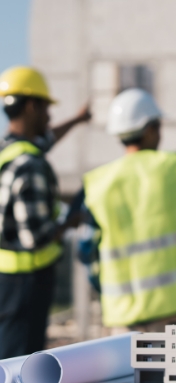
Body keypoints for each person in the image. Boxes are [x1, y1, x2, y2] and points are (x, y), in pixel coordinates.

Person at [79, 88, 176, 366]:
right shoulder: (173, 168)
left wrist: (109, 295)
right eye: (158, 127)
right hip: (174, 316)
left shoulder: (97, 184)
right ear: (149, 130)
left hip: (124, 320)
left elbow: (85, 251)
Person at [0, 66, 91, 359]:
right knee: (18, 366)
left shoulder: (7, 152)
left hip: (7, 278)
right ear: (31, 106)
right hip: (26, 284)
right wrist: (69, 222)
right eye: (45, 108)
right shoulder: (31, 165)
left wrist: (77, 120)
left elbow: (45, 139)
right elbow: (36, 236)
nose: (50, 116)